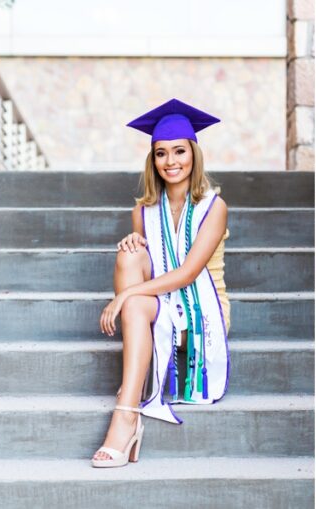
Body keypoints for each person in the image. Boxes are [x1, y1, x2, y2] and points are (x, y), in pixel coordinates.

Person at [92, 99, 231, 468]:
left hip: (203, 309)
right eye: (161, 153)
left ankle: (127, 400)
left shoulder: (213, 207)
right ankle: (128, 413)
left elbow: (187, 273)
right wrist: (134, 247)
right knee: (129, 255)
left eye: (179, 152)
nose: (171, 161)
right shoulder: (142, 210)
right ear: (152, 160)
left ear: (194, 154)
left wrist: (120, 297)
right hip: (162, 305)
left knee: (133, 301)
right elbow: (150, 272)